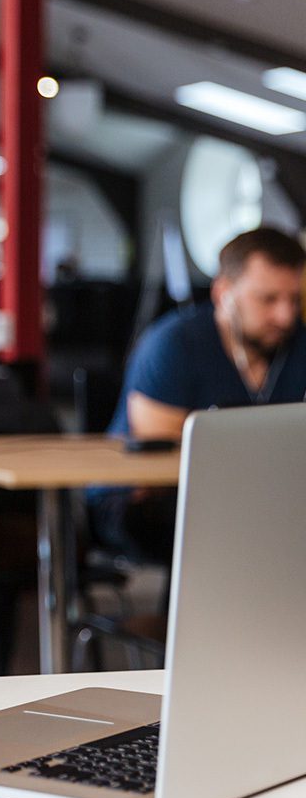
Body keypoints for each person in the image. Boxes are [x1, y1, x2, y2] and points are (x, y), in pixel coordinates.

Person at [95, 226, 306, 561]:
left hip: (258, 494)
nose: (285, 316)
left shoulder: (296, 346)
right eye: (268, 299)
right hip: (141, 500)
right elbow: (162, 462)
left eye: (293, 299)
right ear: (223, 293)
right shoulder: (173, 345)